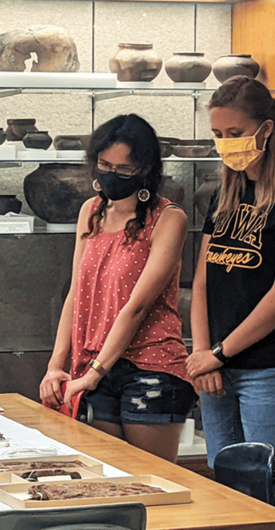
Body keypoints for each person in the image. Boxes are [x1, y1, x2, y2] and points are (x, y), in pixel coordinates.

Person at [185, 75, 275, 520]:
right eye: (218, 135)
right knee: (227, 492)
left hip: (269, 370)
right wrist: (202, 351)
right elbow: (202, 280)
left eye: (235, 134)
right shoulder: (221, 191)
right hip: (216, 368)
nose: (226, 144)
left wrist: (220, 353)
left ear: (265, 129)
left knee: (272, 492)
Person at [38, 114, 196, 462]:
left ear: (145, 169)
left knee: (150, 482)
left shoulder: (169, 219)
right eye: (104, 165)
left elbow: (137, 307)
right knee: (102, 478)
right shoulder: (90, 211)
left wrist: (95, 372)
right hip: (93, 366)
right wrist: (55, 365)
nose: (111, 175)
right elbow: (75, 294)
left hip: (151, 366)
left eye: (124, 170)